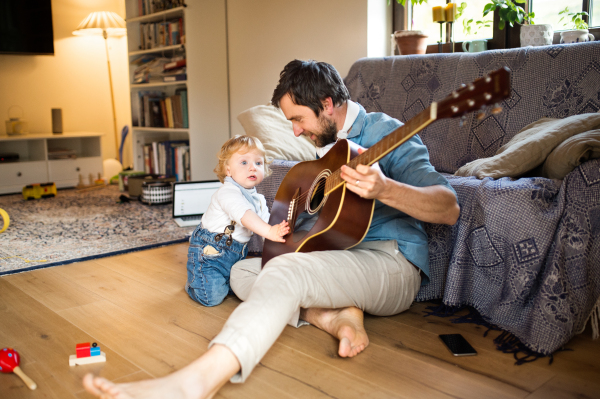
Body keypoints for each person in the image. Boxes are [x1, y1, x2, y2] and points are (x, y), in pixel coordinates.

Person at [82, 60, 460, 399]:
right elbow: (314, 223)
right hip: (337, 260)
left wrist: (386, 189)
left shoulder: (387, 133)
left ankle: (195, 382)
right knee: (242, 270)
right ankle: (335, 316)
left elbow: (449, 207)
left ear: (327, 105)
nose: (295, 132)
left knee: (278, 271)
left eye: (298, 120)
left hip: (389, 260)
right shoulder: (322, 153)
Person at [185, 135, 289, 307]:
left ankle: (224, 280)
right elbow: (245, 215)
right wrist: (269, 231)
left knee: (241, 284)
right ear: (228, 170)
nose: (252, 168)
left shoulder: (259, 199)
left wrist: (276, 235)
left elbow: (266, 226)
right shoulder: (228, 192)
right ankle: (194, 283)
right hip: (210, 252)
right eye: (244, 162)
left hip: (236, 254)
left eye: (258, 163)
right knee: (211, 298)